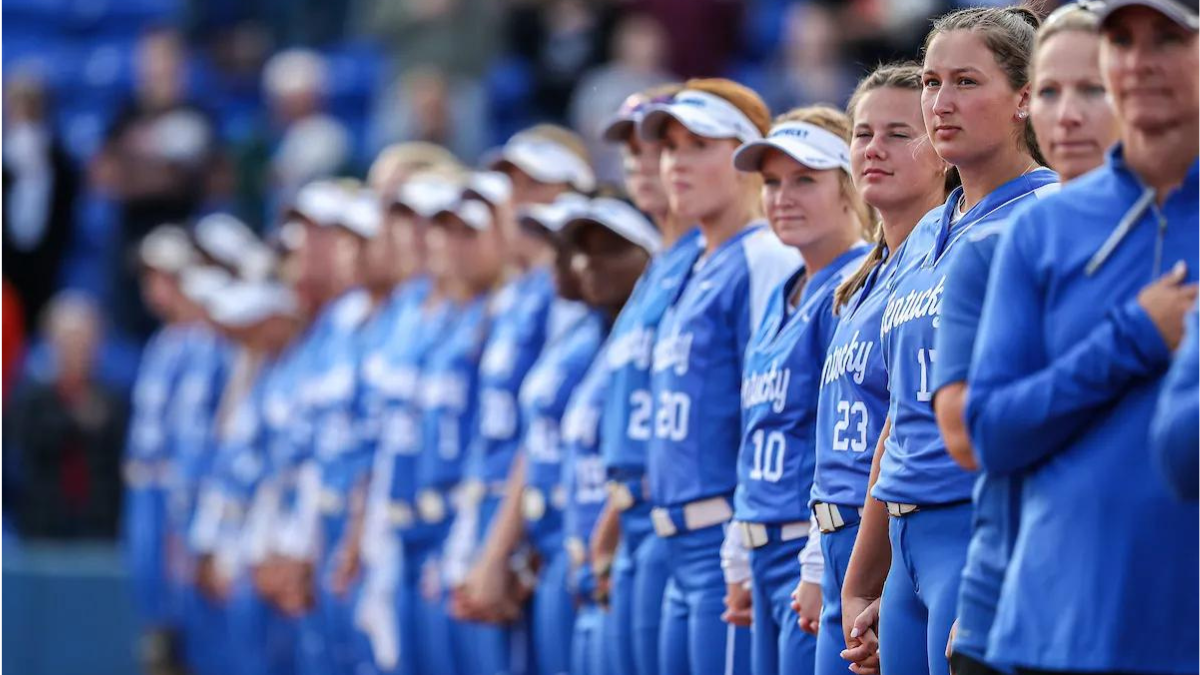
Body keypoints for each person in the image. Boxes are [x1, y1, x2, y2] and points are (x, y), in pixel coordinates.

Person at [966, 0, 1199, 671]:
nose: (1140, 62)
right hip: (1060, 627)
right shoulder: (1043, 229)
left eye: (1169, 39)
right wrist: (1132, 339)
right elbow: (990, 432)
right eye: (1122, 41)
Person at [840, 8, 1058, 675]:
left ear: (1024, 97)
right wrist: (863, 579)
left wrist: (1005, 569)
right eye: (932, 82)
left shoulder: (1046, 213)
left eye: (966, 81)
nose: (941, 102)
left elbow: (1056, 417)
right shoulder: (922, 235)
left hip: (979, 530)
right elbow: (900, 422)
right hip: (906, 551)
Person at [940, 5, 1118, 673]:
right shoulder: (994, 248)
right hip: (1006, 592)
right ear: (1028, 104)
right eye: (1050, 91)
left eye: (1092, 89)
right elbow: (971, 433)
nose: (1068, 113)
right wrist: (1130, 341)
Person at [636, 79, 800, 675]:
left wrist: (739, 544)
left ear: (749, 157)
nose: (677, 161)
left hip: (722, 535)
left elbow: (772, 399)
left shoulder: (765, 255)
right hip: (673, 538)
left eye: (701, 144)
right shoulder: (689, 265)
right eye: (672, 146)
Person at [805, 62, 952, 675]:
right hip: (839, 543)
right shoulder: (861, 283)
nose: (874, 149)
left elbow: (901, 428)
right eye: (862, 134)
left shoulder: (939, 263)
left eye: (899, 133)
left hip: (897, 538)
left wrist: (869, 569)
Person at [727, 105, 872, 675]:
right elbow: (759, 426)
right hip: (761, 546)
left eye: (805, 179)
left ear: (847, 185)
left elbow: (839, 437)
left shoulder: (850, 285)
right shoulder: (784, 290)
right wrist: (737, 546)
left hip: (804, 549)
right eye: (771, 183)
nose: (783, 196)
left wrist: (816, 559)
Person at [588, 84, 690, 675]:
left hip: (680, 521)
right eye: (629, 147)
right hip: (632, 519)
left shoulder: (715, 257)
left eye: (657, 143)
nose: (640, 160)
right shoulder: (658, 269)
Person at [559, 197, 662, 675]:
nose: (590, 263)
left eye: (611, 248)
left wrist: (604, 536)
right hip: (580, 553)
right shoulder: (589, 335)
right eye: (584, 249)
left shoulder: (654, 320)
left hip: (639, 542)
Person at [412, 198, 506, 675]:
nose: (449, 247)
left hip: (488, 530)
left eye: (468, 233)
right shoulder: (441, 320)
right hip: (438, 531)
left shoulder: (506, 311)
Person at [122, 225, 200, 673]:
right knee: (154, 627)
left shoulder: (205, 342)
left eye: (164, 275)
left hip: (176, 498)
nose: (153, 287)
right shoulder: (160, 342)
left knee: (185, 633)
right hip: (147, 494)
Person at [5, 291, 127, 539]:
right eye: (68, 339)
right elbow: (17, 463)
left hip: (100, 536)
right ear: (50, 342)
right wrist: (74, 418)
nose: (76, 348)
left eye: (85, 339)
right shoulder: (29, 400)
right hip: (38, 535)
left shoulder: (114, 403)